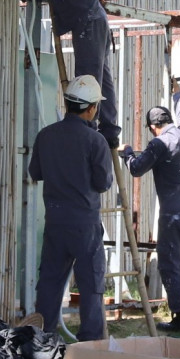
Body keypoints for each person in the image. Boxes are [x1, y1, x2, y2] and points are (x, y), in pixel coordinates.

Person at [29, 75, 115, 342]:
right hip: (84, 225)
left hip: (55, 221)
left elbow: (35, 172)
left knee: (50, 284)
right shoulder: (95, 141)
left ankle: (42, 341)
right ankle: (90, 345)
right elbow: (103, 183)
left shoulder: (45, 136)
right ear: (92, 109)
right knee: (91, 284)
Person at [20, 0, 119, 149]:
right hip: (88, 20)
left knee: (88, 79)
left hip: (88, 20)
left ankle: (88, 130)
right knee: (100, 77)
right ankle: (109, 130)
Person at [125, 99, 180, 332]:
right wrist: (178, 94)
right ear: (169, 120)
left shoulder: (158, 144)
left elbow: (136, 169)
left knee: (170, 265)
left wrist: (127, 153)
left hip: (173, 215)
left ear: (153, 126)